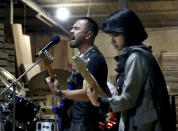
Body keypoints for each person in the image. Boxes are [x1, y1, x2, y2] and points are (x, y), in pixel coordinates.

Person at [86, 8, 176, 131]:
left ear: (128, 32)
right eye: (110, 35)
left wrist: (100, 102)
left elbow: (128, 99)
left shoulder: (136, 57)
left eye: (116, 34)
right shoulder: (141, 54)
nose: (111, 41)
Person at [46, 17, 111, 131]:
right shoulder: (83, 58)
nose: (71, 31)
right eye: (72, 28)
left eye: (76, 28)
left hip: (86, 124)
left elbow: (87, 94)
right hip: (76, 121)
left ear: (88, 35)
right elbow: (77, 89)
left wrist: (59, 92)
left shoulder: (93, 59)